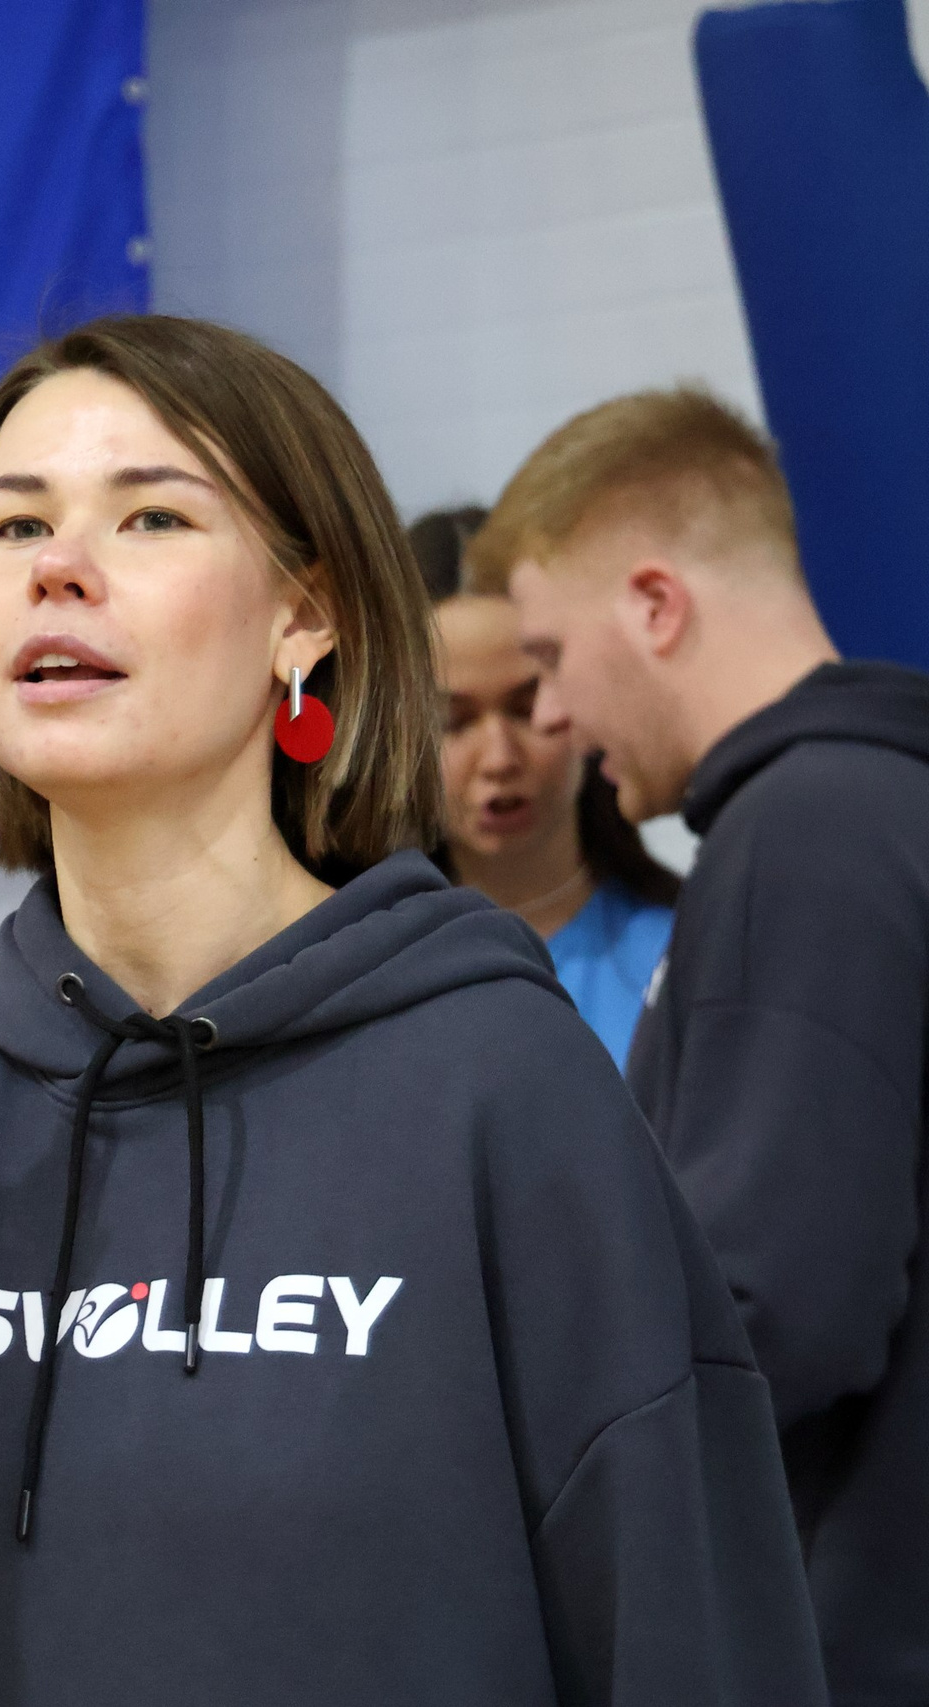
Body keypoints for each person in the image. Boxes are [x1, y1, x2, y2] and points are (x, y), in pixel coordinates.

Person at [0, 315, 828, 1706]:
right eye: (12, 529)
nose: (58, 565)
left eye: (153, 514)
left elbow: (689, 1629)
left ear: (308, 616)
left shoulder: (498, 1081)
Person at [471, 387, 929, 1703]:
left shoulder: (807, 833)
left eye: (550, 655)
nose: (548, 717)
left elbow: (776, 1305)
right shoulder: (880, 804)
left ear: (657, 604)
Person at [411, 504, 678, 1061]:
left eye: (527, 706)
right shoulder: (362, 975)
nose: (500, 758)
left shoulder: (685, 952)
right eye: (451, 722)